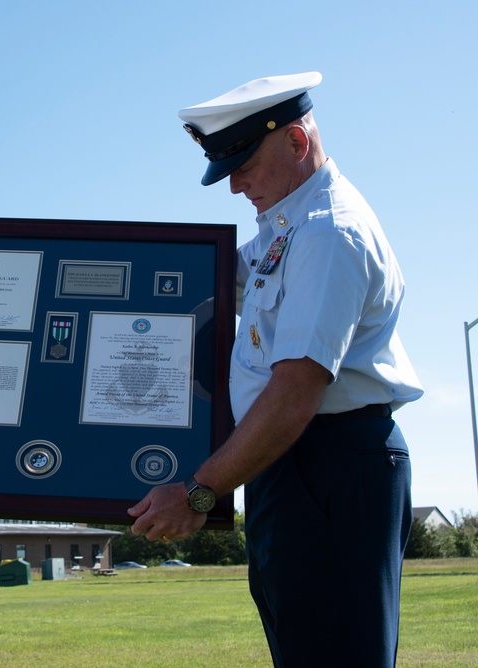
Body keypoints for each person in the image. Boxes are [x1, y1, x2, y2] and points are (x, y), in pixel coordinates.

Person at [127, 72, 423, 666]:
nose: (234, 186)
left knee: (334, 652)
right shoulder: (285, 228)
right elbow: (195, 293)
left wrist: (198, 492)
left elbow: (293, 394)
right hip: (287, 464)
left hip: (330, 462)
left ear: (295, 142)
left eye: (244, 164)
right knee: (303, 645)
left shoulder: (327, 233)